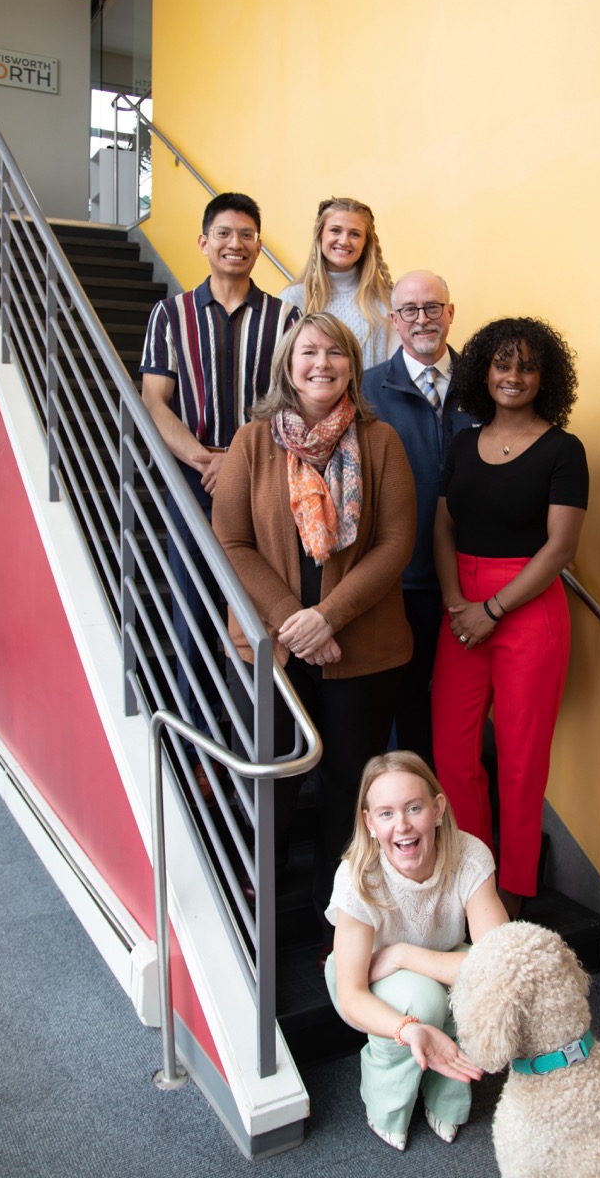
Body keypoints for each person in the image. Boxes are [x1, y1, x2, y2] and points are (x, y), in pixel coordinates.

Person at [211, 312, 416, 936]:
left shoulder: (381, 441)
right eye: (308, 351)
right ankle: (258, 908)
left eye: (335, 351)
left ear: (352, 365)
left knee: (349, 791)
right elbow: (232, 541)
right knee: (270, 779)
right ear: (287, 364)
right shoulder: (252, 442)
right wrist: (290, 622)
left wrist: (328, 616)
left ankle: (345, 921)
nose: (321, 362)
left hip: (364, 649)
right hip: (272, 650)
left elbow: (395, 543)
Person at [432, 318, 588, 921]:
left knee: (523, 761)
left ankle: (517, 887)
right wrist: (456, 601)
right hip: (461, 605)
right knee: (452, 752)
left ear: (544, 376)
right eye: (502, 364)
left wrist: (492, 609)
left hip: (527, 605)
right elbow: (444, 526)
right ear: (483, 372)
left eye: (526, 366)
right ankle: (477, 875)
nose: (513, 376)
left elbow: (560, 549)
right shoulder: (462, 443)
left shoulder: (562, 449)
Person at [139, 193, 298, 745]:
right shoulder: (171, 314)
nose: (236, 244)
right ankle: (198, 746)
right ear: (204, 242)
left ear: (259, 244)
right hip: (195, 480)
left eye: (248, 235)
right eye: (225, 234)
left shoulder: (286, 318)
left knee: (264, 609)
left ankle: (260, 740)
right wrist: (207, 459)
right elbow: (155, 401)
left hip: (265, 479)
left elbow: (294, 400)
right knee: (194, 608)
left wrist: (239, 458)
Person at [325, 751, 508, 1151]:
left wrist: (405, 954)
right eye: (386, 813)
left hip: (427, 956)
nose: (402, 825)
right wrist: (408, 1029)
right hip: (367, 973)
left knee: (473, 992)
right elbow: (350, 993)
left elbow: (501, 963)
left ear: (438, 809)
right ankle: (386, 1105)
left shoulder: (470, 856)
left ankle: (447, 1097)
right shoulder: (358, 875)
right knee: (424, 1001)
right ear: (369, 823)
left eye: (414, 808)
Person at [363, 270, 478, 762]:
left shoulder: (485, 385)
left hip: (472, 581)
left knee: (462, 709)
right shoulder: (366, 390)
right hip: (399, 581)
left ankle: (452, 805)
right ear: (394, 320)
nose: (422, 319)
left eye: (433, 307)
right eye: (409, 310)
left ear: (451, 313)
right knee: (402, 706)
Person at [279, 197, 395, 369]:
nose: (344, 241)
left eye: (355, 234)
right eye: (335, 230)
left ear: (366, 243)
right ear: (320, 236)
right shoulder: (293, 298)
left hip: (372, 396)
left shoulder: (386, 300)